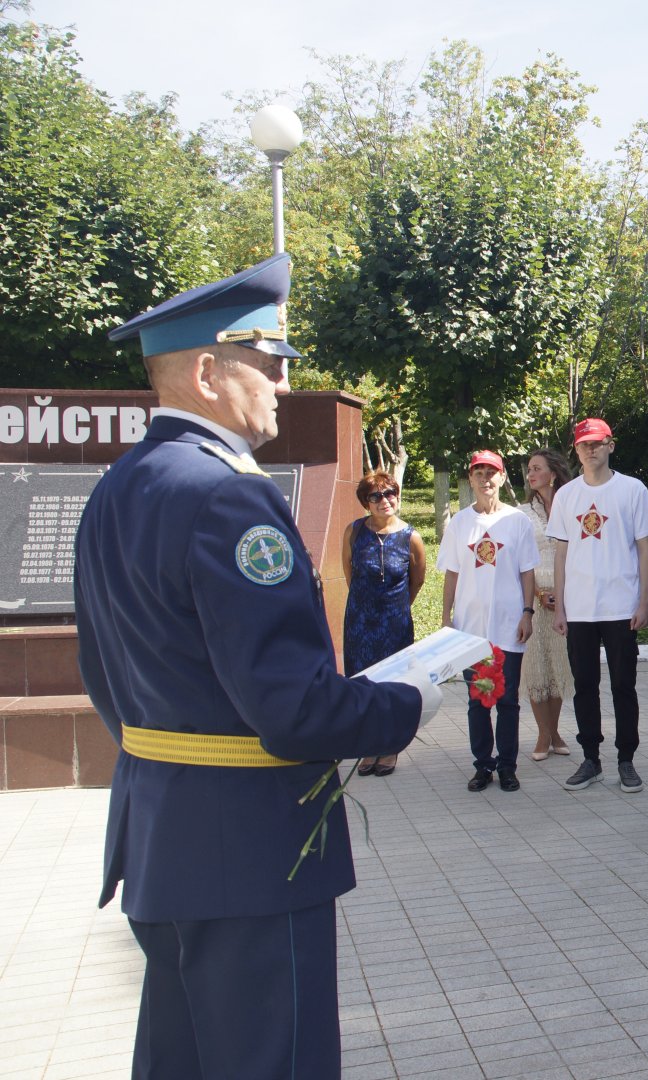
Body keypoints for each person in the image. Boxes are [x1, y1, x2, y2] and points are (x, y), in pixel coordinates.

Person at [75, 254, 436, 1079]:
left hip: (162, 832)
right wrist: (408, 703)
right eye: (267, 362)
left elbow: (102, 675)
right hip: (251, 850)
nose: (282, 382)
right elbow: (294, 709)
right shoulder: (230, 497)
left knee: (181, 1062)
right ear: (208, 374)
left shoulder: (119, 487)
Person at [549, 418, 648, 795]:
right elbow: (561, 553)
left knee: (623, 686)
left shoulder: (632, 490)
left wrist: (644, 601)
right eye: (584, 444)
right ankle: (591, 758)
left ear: (610, 445)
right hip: (579, 608)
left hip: (620, 606)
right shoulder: (567, 495)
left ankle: (626, 758)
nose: (591, 450)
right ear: (576, 450)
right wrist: (560, 607)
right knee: (585, 686)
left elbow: (644, 549)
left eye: (597, 443)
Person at [439, 450, 539, 793]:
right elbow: (452, 573)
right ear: (470, 478)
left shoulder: (517, 521)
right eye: (479, 472)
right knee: (479, 700)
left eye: (491, 472)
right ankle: (483, 765)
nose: (485, 479)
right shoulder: (460, 523)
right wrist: (446, 618)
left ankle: (507, 766)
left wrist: (527, 612)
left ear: (502, 477)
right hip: (472, 628)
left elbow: (527, 572)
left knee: (507, 700)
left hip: (509, 625)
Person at [343, 469, 428, 777]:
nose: (385, 500)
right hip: (360, 623)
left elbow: (417, 580)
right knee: (363, 685)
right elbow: (349, 573)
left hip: (395, 623)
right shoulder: (354, 531)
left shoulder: (411, 537)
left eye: (390, 493)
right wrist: (366, 606)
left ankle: (390, 746)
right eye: (376, 496)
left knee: (393, 685)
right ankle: (369, 746)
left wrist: (397, 608)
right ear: (366, 503)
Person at [519, 448, 574, 761]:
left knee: (558, 666)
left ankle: (555, 732)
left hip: (567, 597)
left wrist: (564, 594)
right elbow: (520, 560)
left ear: (553, 473)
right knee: (536, 667)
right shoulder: (522, 513)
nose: (531, 474)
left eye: (537, 468)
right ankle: (543, 734)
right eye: (529, 469)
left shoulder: (571, 507)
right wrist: (539, 594)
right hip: (534, 597)